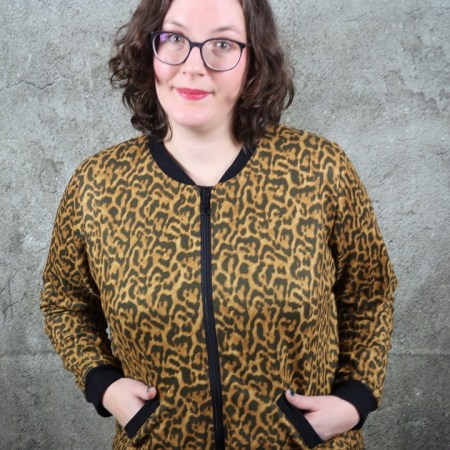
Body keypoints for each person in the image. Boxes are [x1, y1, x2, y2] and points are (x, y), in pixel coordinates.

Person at [40, 0, 398, 448]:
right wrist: (103, 384)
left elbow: (370, 293)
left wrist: (356, 398)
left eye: (223, 44)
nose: (194, 66)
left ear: (254, 59)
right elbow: (64, 301)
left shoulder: (318, 169)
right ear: (148, 49)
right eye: (174, 38)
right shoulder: (99, 184)